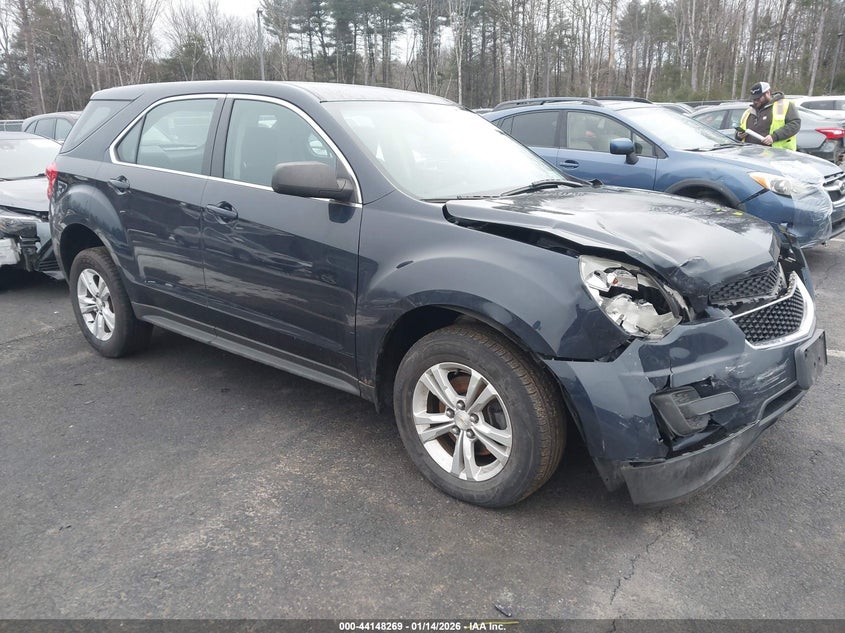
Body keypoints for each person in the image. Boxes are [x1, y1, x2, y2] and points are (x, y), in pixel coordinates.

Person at [735, 81, 800, 149]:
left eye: (758, 98)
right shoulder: (749, 111)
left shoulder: (784, 105)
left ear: (768, 93)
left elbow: (794, 124)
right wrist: (738, 135)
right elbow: (741, 128)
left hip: (777, 153)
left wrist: (774, 136)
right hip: (749, 152)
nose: (755, 101)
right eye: (753, 99)